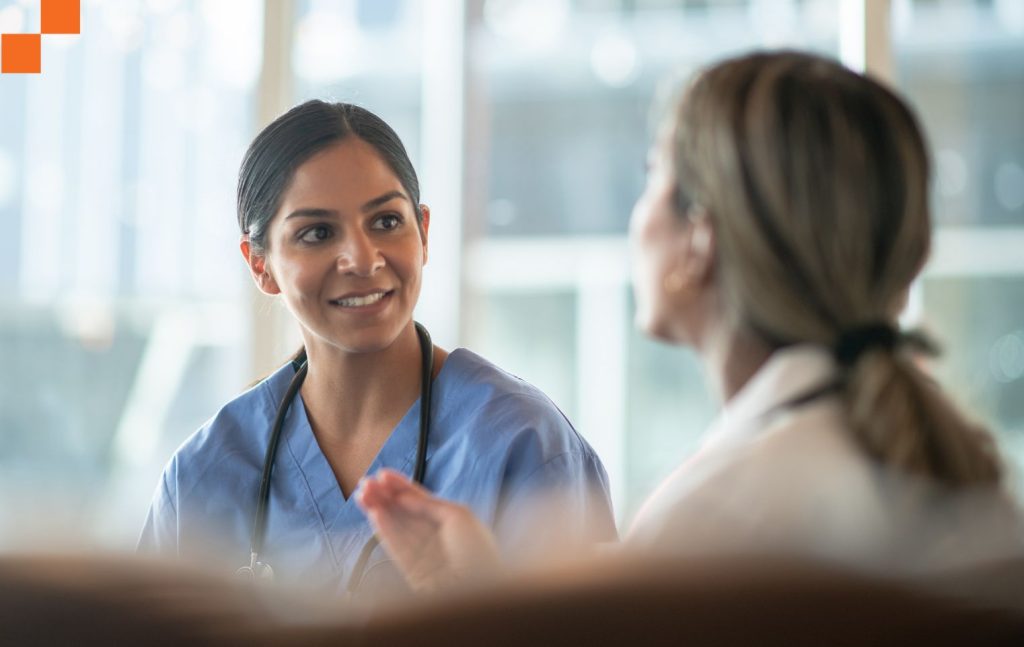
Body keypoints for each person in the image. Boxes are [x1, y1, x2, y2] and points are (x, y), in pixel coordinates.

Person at [356, 50, 1023, 592]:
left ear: (699, 239)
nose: (637, 214)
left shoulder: (720, 516)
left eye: (652, 176)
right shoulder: (928, 462)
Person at [139, 101, 616, 596]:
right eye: (317, 233)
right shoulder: (203, 477)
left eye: (386, 222)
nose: (362, 259)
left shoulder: (524, 448)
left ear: (424, 232)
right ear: (260, 265)